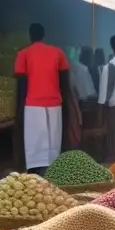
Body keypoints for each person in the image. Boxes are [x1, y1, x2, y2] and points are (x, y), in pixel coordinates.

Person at [14, 22, 71, 174]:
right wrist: (67, 106)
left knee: (35, 143)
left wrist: (19, 110)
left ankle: (36, 174)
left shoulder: (23, 54)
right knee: (54, 140)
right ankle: (54, 173)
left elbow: (21, 85)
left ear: (30, 35)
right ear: (43, 35)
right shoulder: (58, 53)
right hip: (55, 104)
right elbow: (65, 81)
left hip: (33, 106)